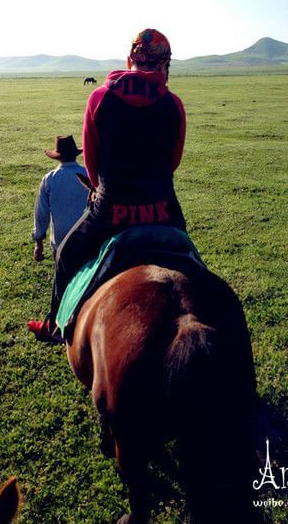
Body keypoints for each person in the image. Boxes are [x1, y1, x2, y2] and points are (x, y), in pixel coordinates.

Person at [28, 29, 187, 342]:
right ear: (164, 66)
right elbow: (174, 162)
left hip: (110, 212)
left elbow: (92, 163)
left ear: (130, 60)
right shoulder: (174, 104)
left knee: (66, 255)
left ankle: (55, 326)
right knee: (193, 261)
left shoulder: (99, 97)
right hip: (164, 210)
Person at [32, 135, 88, 261]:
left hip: (61, 241)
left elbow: (41, 213)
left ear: (58, 157)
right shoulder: (88, 175)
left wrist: (39, 244)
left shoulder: (50, 179)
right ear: (75, 154)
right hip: (87, 236)